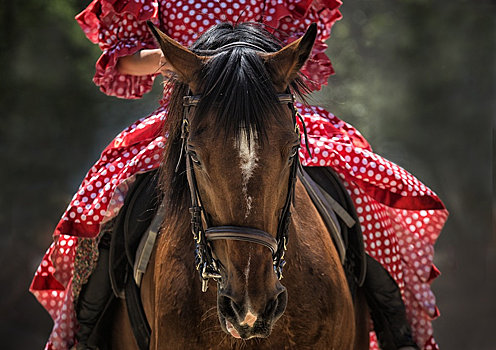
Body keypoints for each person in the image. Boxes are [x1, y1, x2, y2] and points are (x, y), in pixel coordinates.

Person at [30, 1, 448, 350]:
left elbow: (302, 47)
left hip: (264, 111)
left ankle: (396, 327)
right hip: (192, 116)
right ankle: (86, 331)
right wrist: (187, 60)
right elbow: (124, 59)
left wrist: (249, 61)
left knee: (360, 189)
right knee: (109, 205)